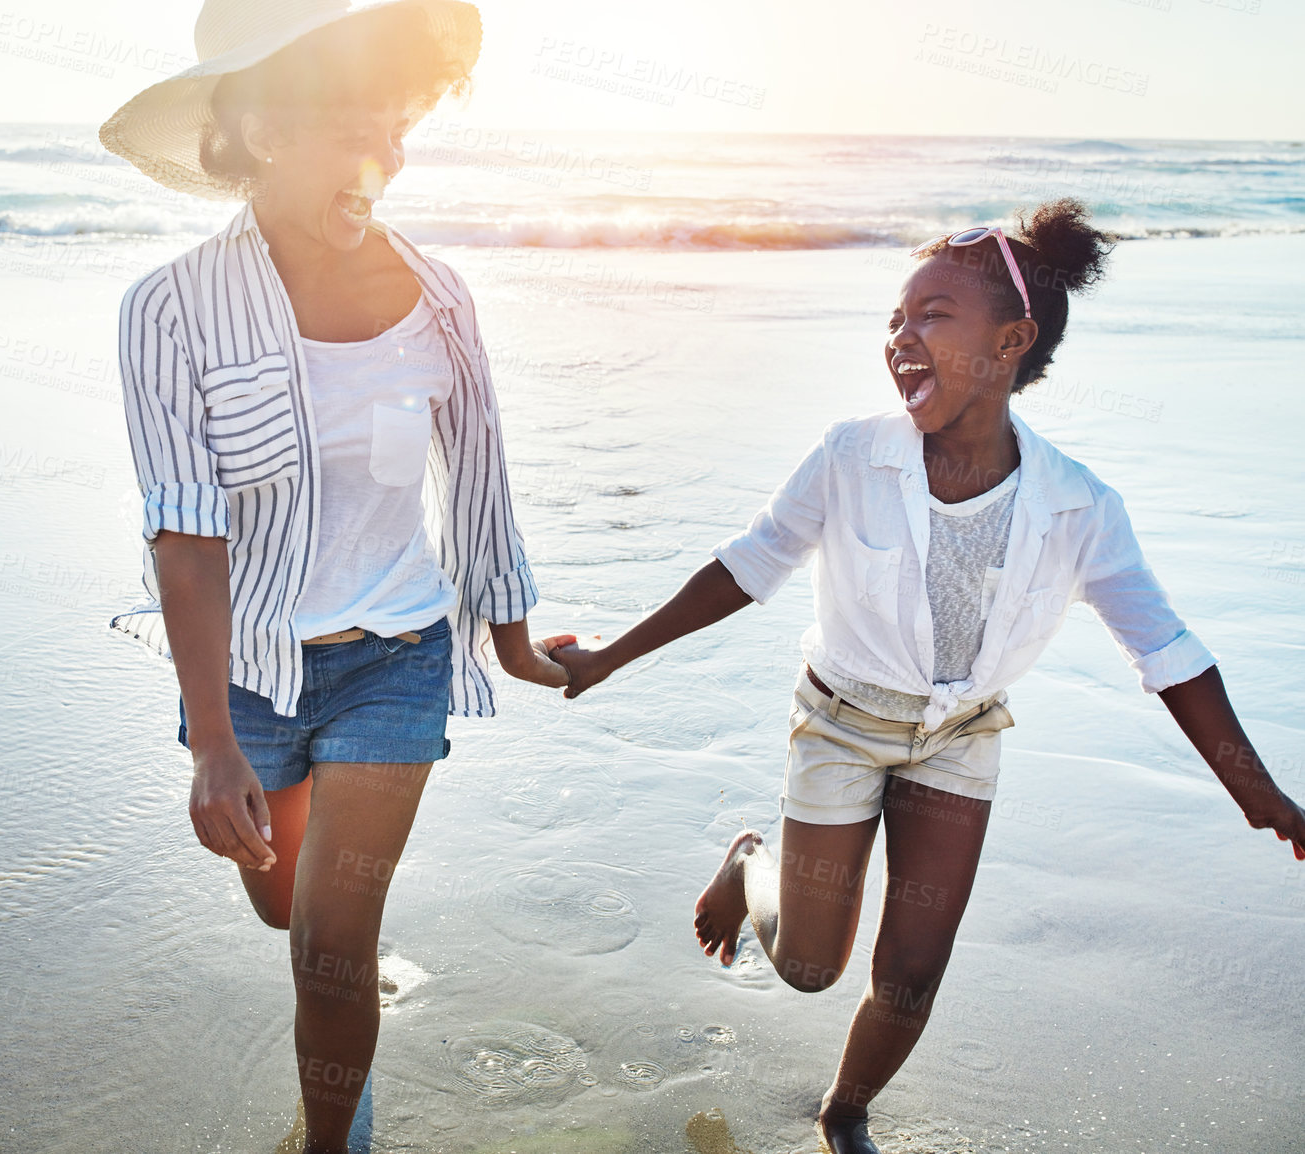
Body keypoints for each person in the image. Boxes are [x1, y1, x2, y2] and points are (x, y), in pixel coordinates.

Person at [550, 199, 1305, 1154]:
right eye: (895, 320)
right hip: (839, 722)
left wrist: (1259, 793)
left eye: (933, 316)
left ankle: (845, 1112)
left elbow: (1170, 653)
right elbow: (749, 566)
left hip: (961, 739)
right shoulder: (851, 455)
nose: (902, 337)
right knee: (813, 968)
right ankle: (751, 863)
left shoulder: (1080, 507)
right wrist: (609, 657)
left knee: (912, 971)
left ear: (1011, 342)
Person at [98, 2, 570, 1151]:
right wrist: (212, 739)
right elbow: (186, 534)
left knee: (328, 945)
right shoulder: (169, 311)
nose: (386, 159)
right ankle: (339, 999)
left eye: (396, 129)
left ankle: (333, 1132)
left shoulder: (441, 295)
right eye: (356, 128)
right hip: (250, 672)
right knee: (282, 904)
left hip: (398, 654)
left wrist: (508, 634)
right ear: (259, 129)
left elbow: (481, 474)